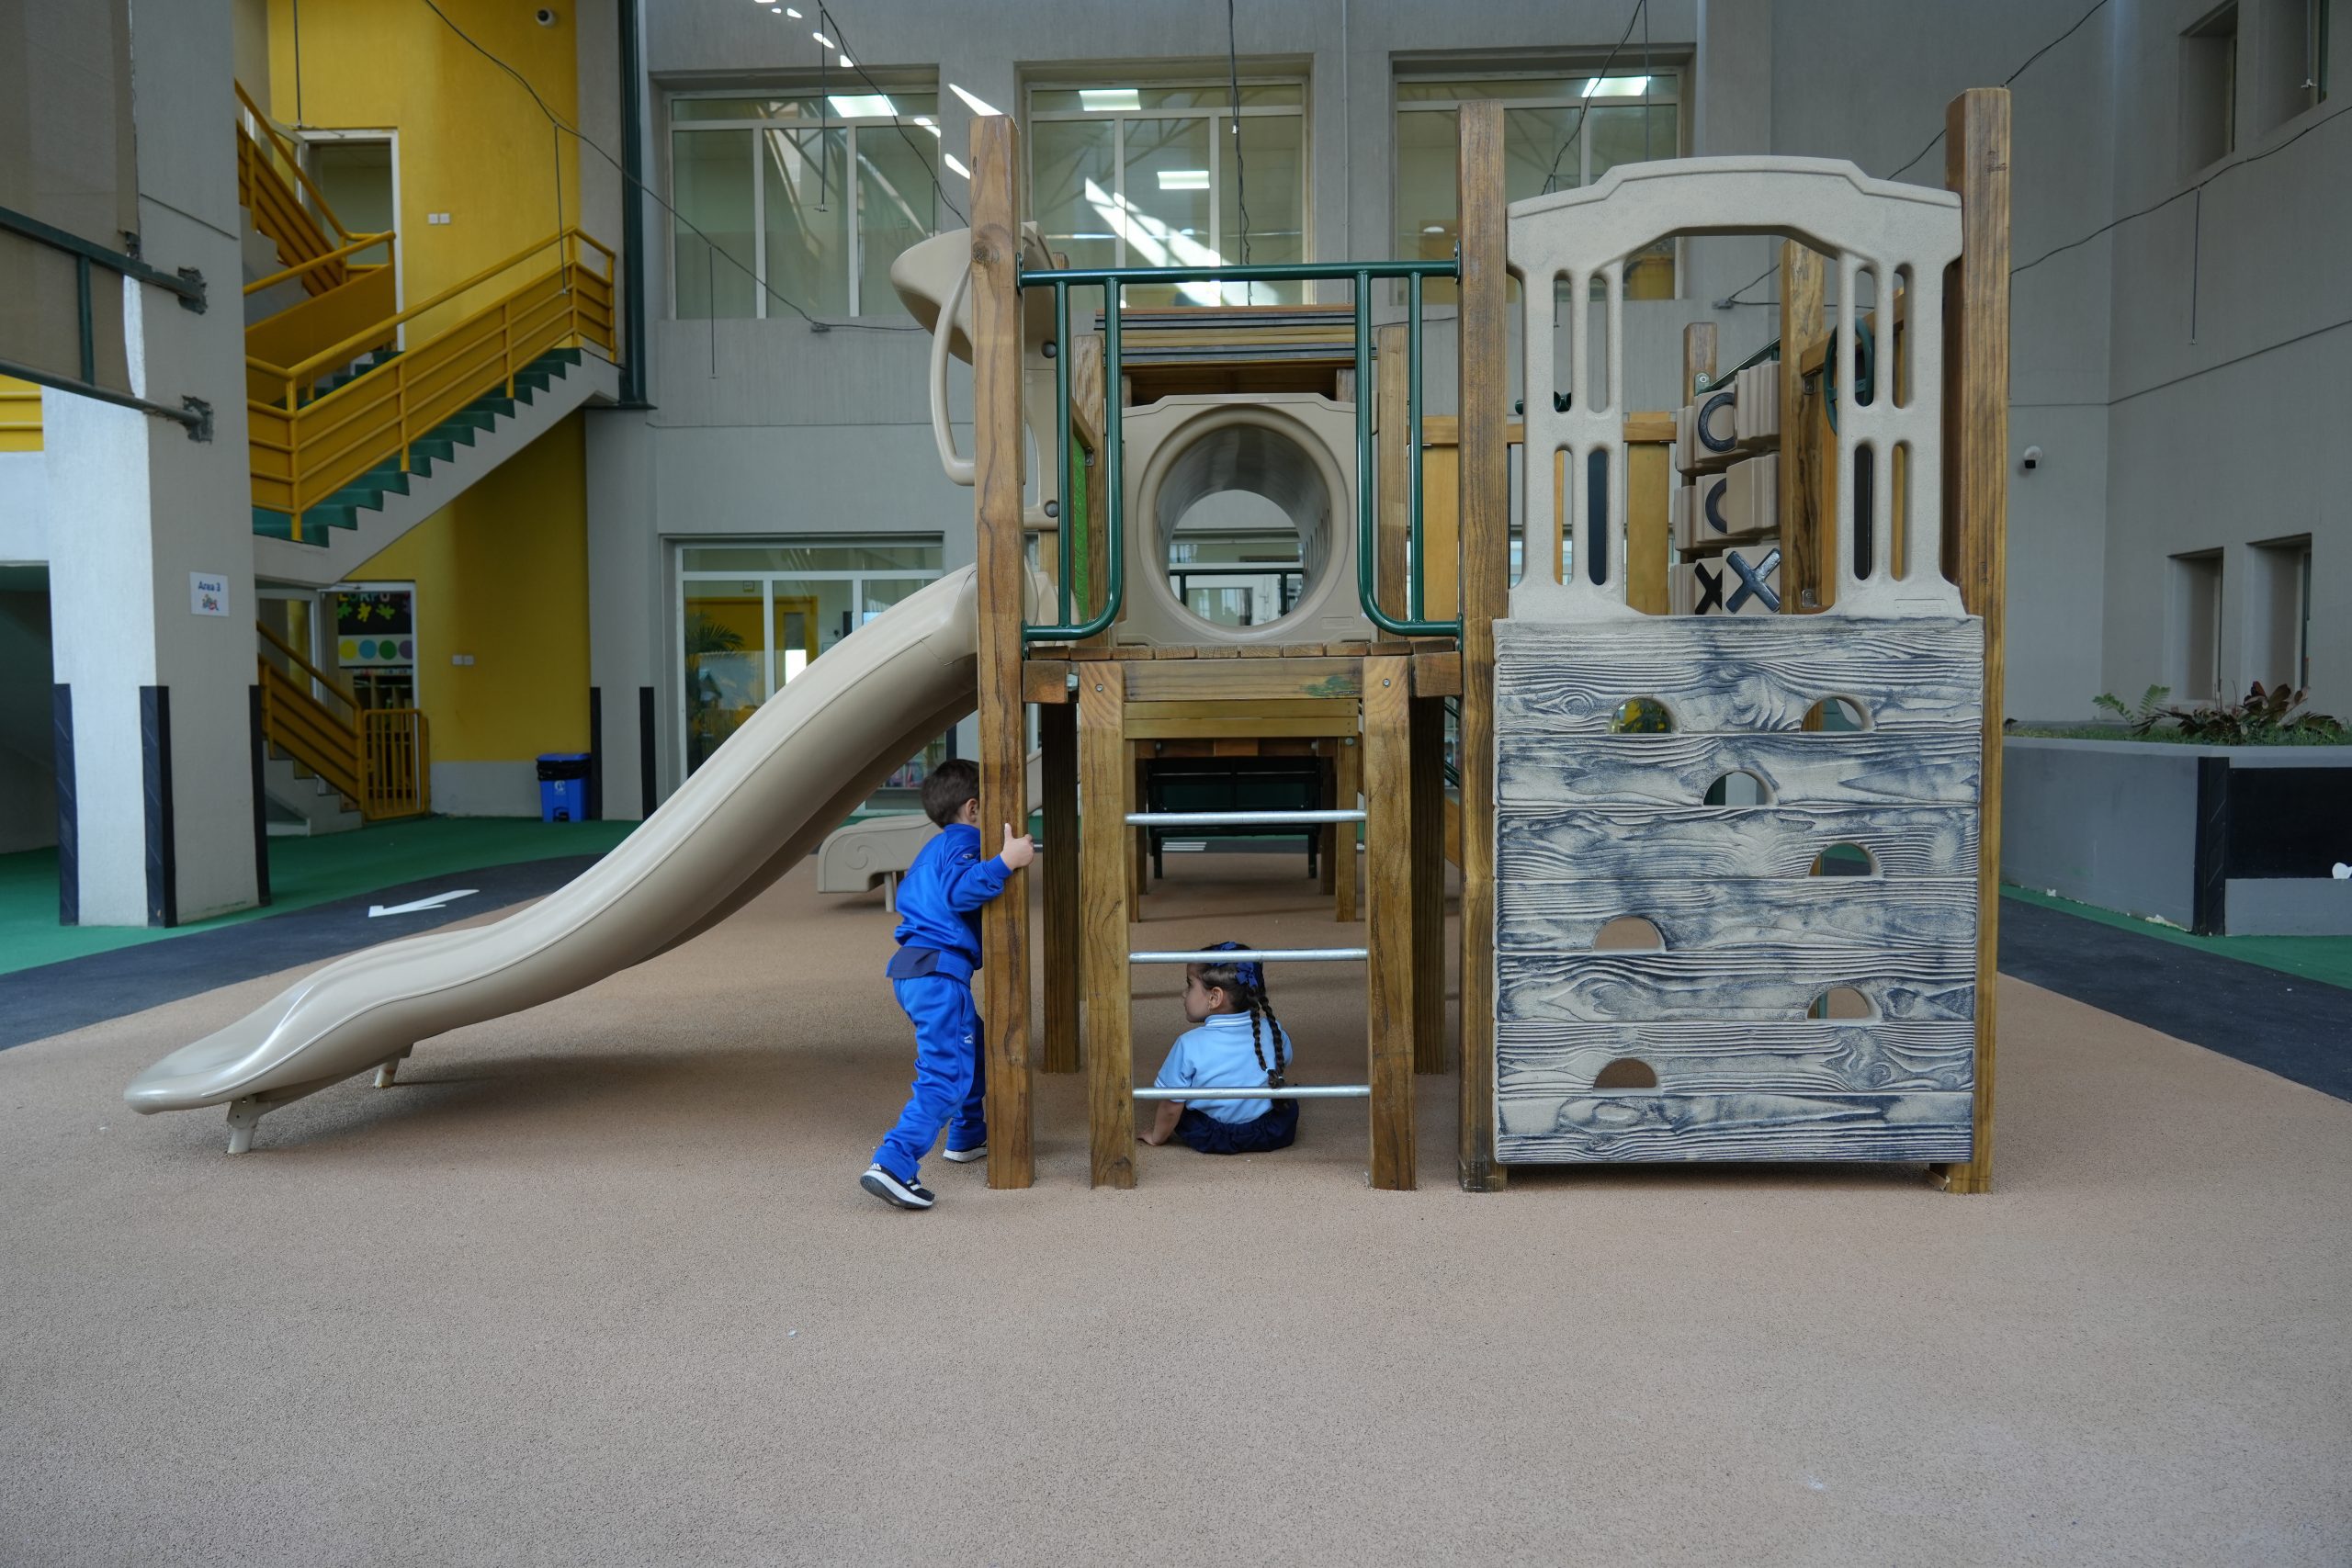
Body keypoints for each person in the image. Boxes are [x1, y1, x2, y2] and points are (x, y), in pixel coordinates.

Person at [860, 759, 1035, 1211]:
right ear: (974, 809)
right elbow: (960, 891)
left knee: (973, 1046)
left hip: (913, 971)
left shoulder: (931, 850)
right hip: (939, 975)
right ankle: (894, 1161)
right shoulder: (965, 842)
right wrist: (1006, 861)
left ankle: (968, 1134)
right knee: (943, 1075)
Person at [1138, 942, 1299, 1156]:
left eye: (1189, 985)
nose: (1184, 994)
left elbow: (1171, 1105)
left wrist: (1157, 1137)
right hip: (1270, 1132)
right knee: (1287, 1100)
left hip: (1211, 1136)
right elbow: (1284, 1060)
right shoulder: (1272, 1029)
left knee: (1178, 1106)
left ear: (1214, 997)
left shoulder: (1188, 1044)